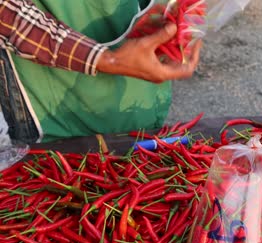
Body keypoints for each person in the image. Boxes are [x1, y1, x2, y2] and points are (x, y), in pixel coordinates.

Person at [0, 0, 202, 144]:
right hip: (49, 88)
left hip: (138, 66)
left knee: (138, 151)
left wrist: (187, 16)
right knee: (59, 168)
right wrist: (106, 59)